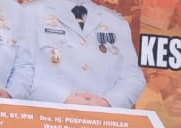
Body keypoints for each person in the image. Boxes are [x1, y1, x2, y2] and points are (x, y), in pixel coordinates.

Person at [11, 0, 146, 108]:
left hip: (102, 124)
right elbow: (17, 71)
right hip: (45, 120)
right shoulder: (28, 14)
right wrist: (62, 98)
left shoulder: (116, 22)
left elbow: (133, 77)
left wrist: (107, 102)